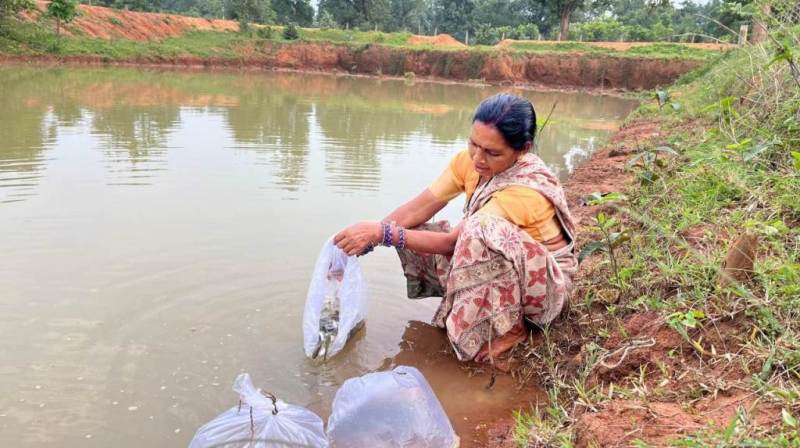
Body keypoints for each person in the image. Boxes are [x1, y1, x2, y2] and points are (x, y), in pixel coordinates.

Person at [334, 93, 577, 363]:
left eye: (493, 153)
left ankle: (514, 329)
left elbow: (454, 241)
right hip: (504, 267)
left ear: (523, 150)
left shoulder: (525, 190)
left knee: (477, 229)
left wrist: (384, 234)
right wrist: (368, 239)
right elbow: (418, 208)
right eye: (474, 144)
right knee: (418, 229)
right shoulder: (469, 162)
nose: (479, 159)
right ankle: (470, 313)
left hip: (544, 292)